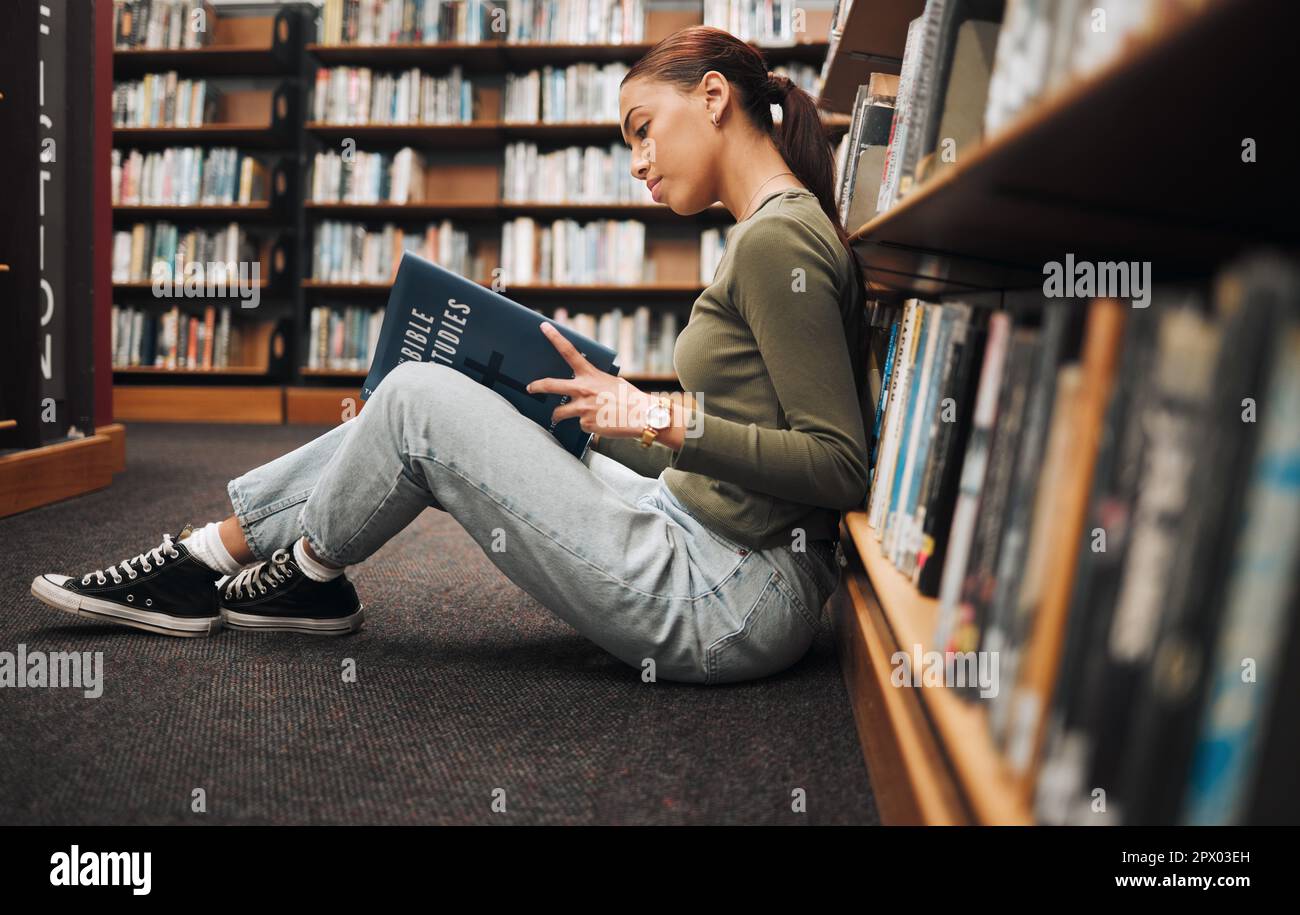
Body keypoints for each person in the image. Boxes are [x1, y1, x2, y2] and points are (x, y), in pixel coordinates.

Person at [30, 26, 871, 685]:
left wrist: (660, 420)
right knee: (483, 391)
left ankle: (280, 568)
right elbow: (739, 444)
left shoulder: (777, 240)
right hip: (701, 532)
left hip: (730, 593)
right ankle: (222, 556)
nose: (636, 163)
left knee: (419, 400)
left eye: (642, 130)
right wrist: (605, 414)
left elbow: (839, 467)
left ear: (714, 97)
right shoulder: (771, 231)